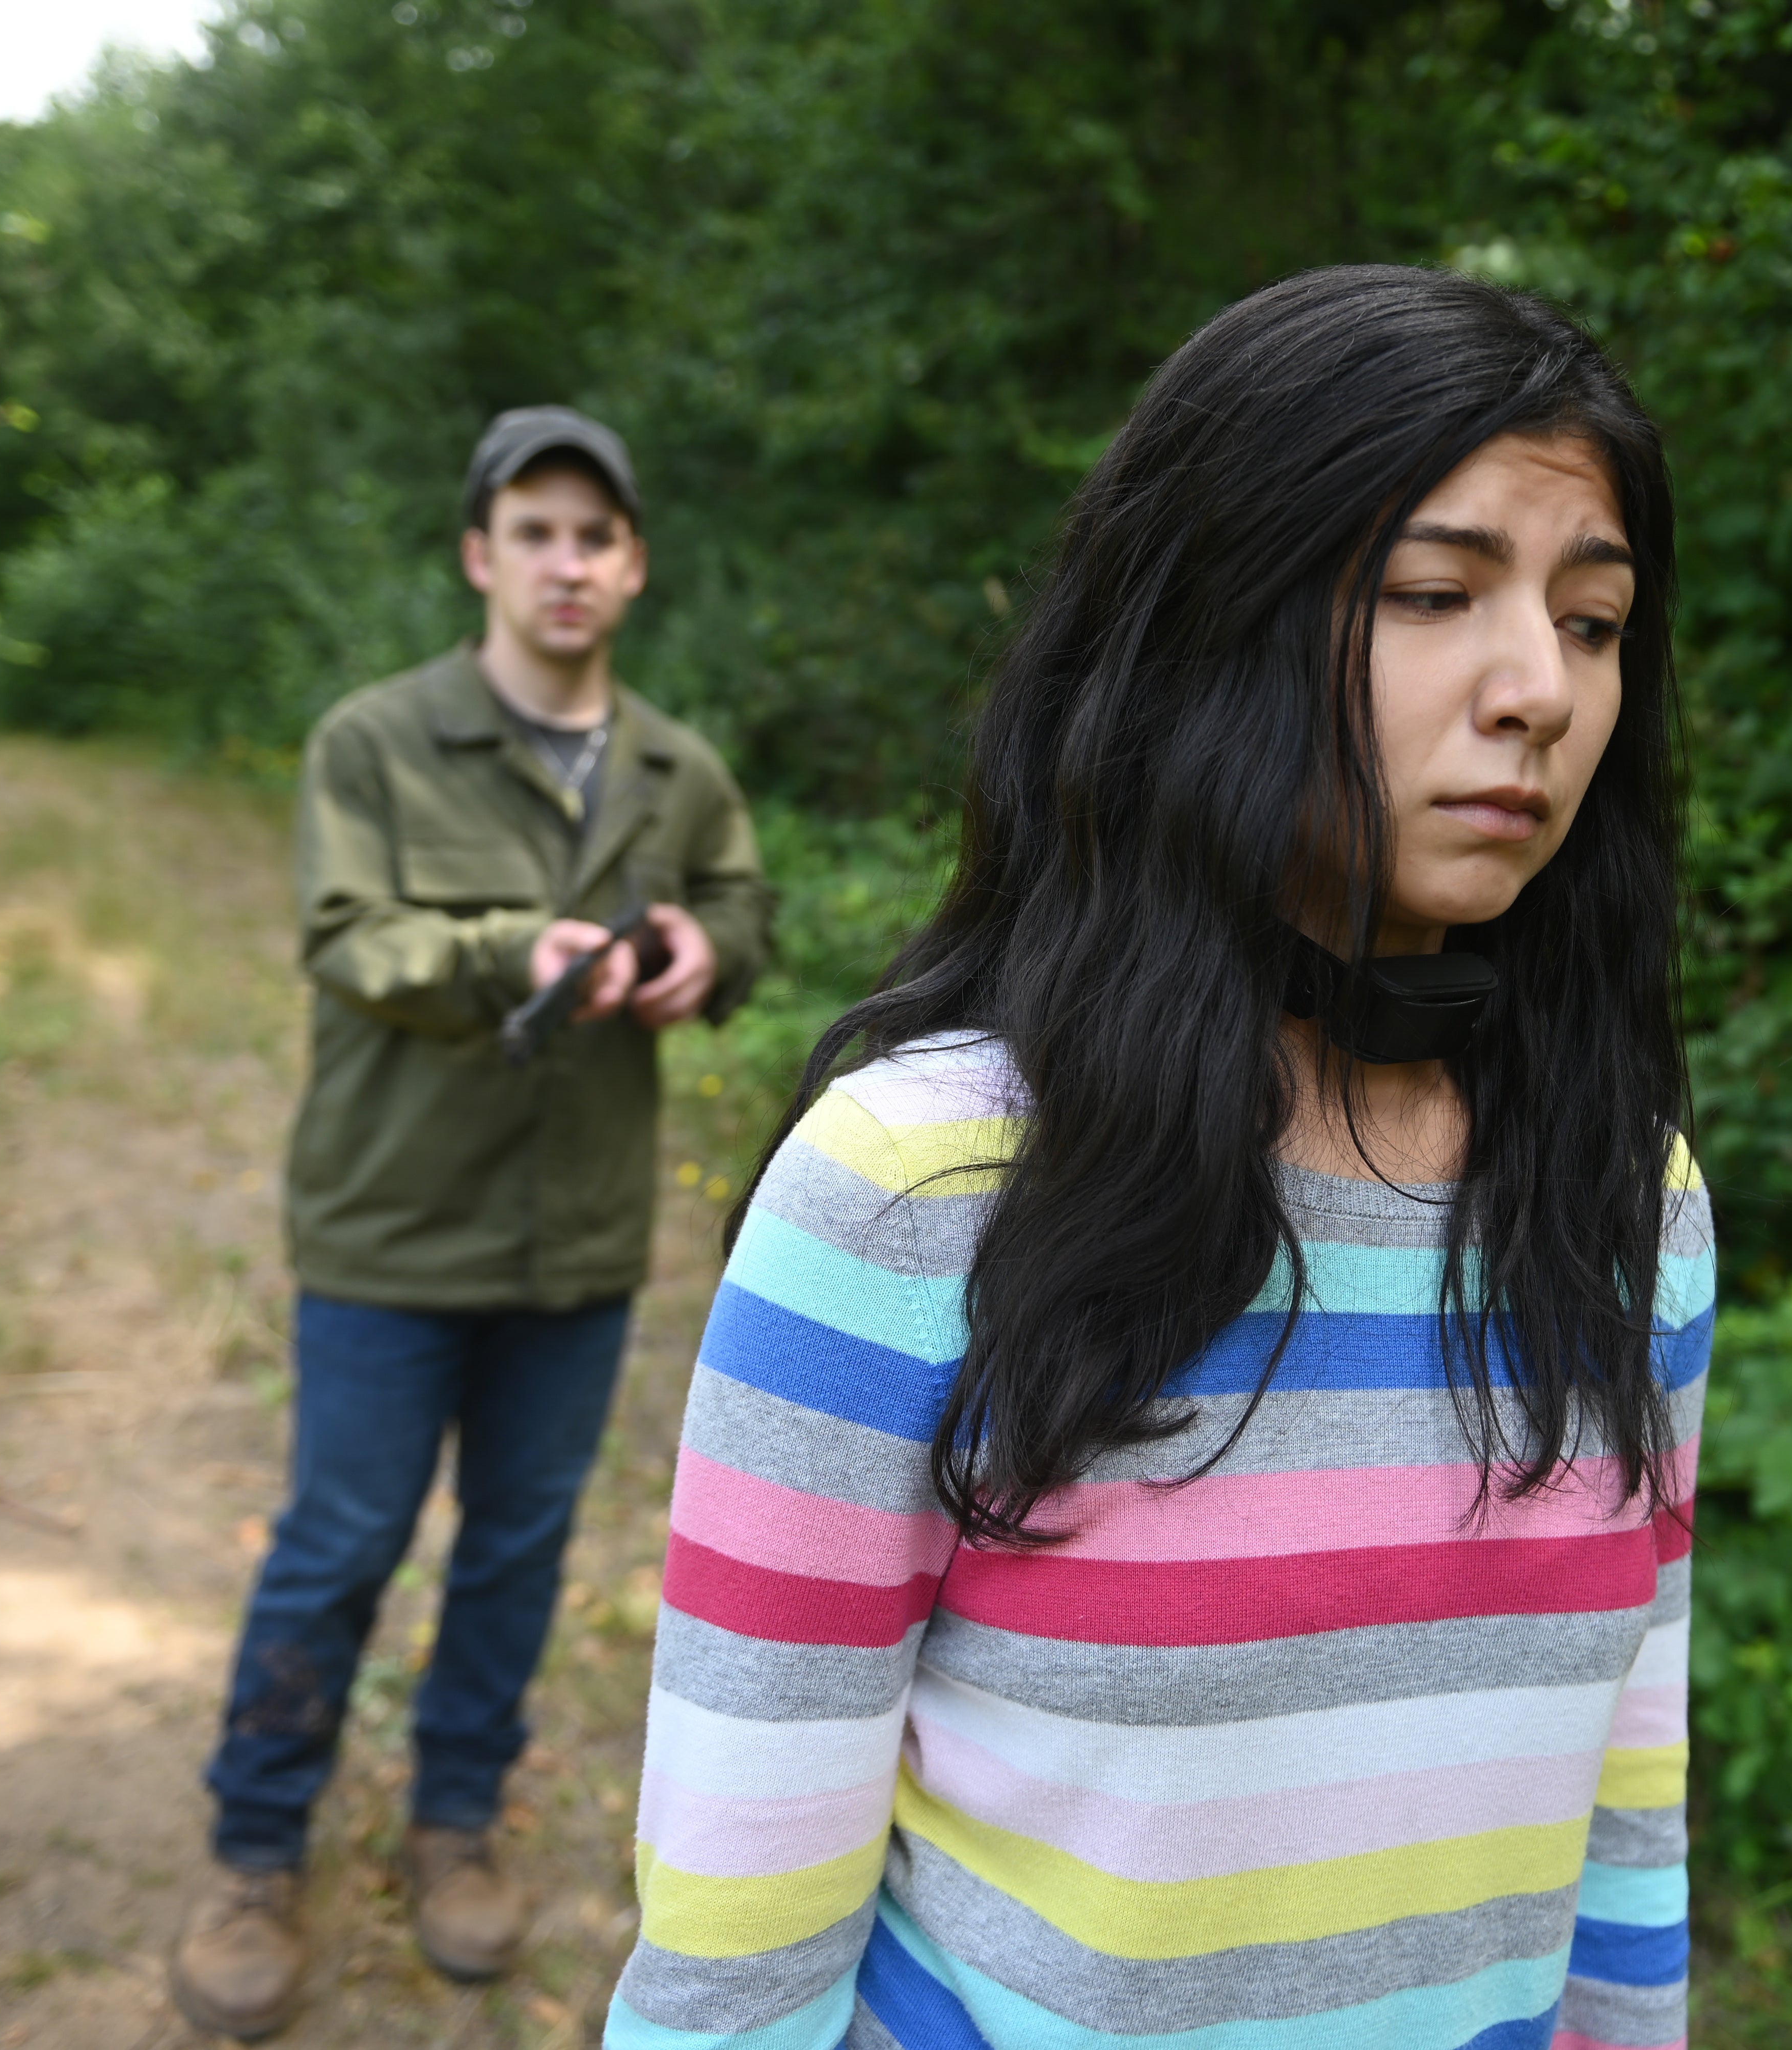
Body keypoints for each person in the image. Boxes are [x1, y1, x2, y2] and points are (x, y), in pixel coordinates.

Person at [605, 267, 1709, 2050]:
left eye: (1595, 623)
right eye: (1436, 593)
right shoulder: (919, 1194)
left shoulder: (1622, 1199)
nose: (1541, 691)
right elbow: (741, 1945)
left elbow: (1629, 1766)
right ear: (1210, 627)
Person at [170, 407, 776, 2041]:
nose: (566, 564)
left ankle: (456, 1823)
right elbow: (348, 935)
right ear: (479, 557)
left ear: (633, 566)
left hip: (578, 1243)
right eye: (535, 533)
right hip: (392, 1227)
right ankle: (255, 1850)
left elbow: (740, 905)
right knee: (341, 1542)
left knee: (517, 1548)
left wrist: (708, 957)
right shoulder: (374, 741)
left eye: (595, 536)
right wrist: (516, 951)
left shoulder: (677, 770)